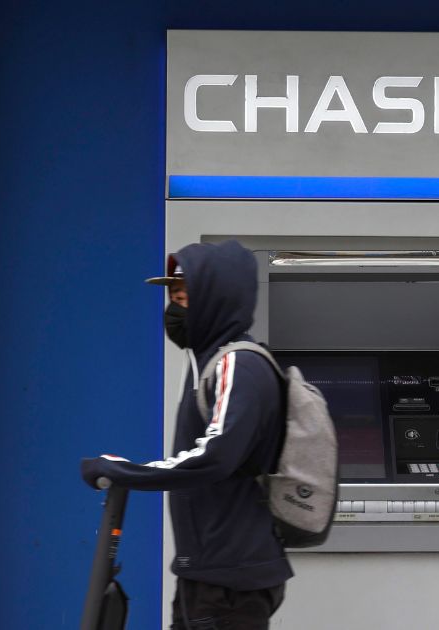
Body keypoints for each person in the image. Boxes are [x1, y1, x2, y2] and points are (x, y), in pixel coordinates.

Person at [81, 240, 291, 630]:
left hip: (228, 578)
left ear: (217, 299)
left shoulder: (237, 365)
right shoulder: (208, 363)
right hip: (212, 571)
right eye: (172, 297)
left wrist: (127, 471)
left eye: (185, 297)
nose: (174, 309)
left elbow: (214, 456)